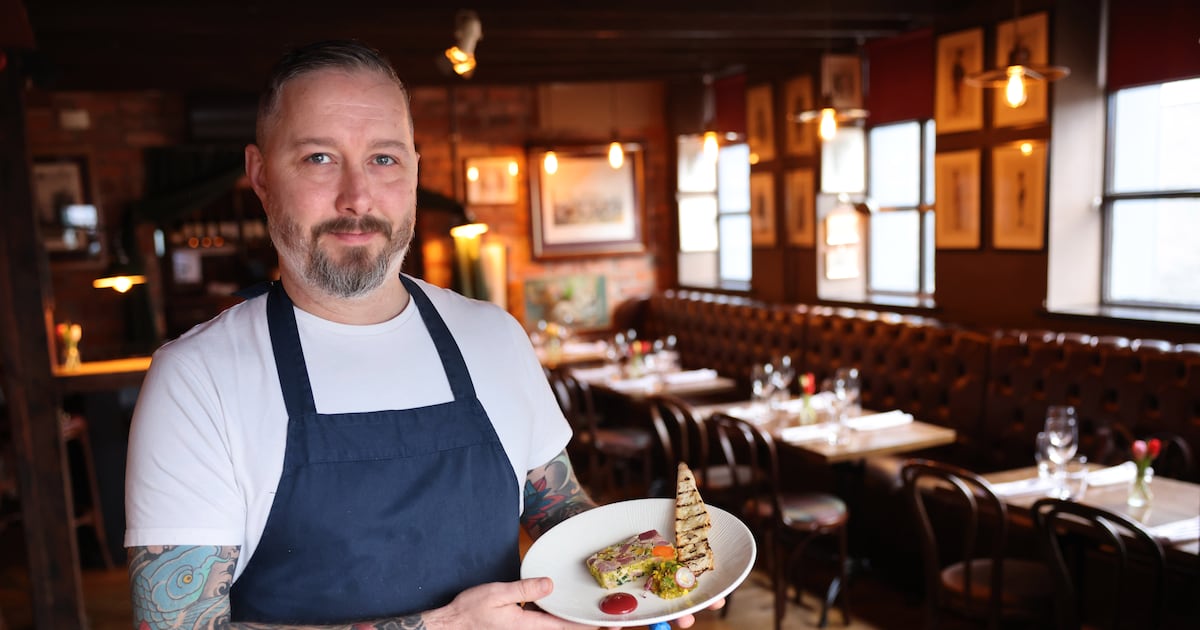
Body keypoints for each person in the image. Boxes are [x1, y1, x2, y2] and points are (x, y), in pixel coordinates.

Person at [124, 39, 718, 629]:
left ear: (414, 169)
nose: (357, 198)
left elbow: (558, 507)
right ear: (259, 175)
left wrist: (652, 571)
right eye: (319, 159)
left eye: (384, 159)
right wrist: (443, 628)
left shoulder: (494, 337)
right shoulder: (197, 380)